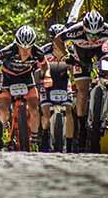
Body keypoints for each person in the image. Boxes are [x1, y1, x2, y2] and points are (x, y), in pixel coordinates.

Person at [53, 10, 108, 151]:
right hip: (81, 55)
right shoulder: (75, 31)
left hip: (101, 50)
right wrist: (65, 56)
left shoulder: (107, 30)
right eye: (90, 34)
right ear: (84, 29)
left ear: (102, 29)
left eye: (97, 34)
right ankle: (82, 128)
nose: (93, 37)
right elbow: (57, 39)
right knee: (82, 92)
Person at [0, 25, 51, 152]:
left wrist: (47, 75)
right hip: (8, 78)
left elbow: (45, 65)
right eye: (22, 47)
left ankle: (35, 139)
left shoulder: (38, 52)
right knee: (3, 108)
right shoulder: (8, 51)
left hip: (26, 78)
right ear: (17, 44)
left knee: (34, 110)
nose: (25, 51)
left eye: (29, 47)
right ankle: (5, 126)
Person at [39, 24, 74, 152]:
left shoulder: (71, 52)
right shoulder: (43, 51)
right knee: (46, 113)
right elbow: (35, 68)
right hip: (48, 83)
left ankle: (69, 145)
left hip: (64, 82)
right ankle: (44, 135)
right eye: (55, 39)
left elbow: (76, 68)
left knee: (69, 111)